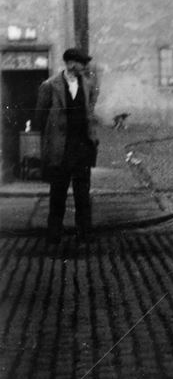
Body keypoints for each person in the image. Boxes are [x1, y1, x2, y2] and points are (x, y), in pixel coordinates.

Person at [35, 48, 99, 250]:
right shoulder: (49, 86)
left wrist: (92, 139)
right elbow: (40, 117)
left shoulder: (87, 85)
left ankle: (85, 235)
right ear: (71, 63)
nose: (84, 66)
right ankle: (54, 236)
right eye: (81, 63)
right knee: (58, 195)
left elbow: (90, 112)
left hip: (81, 149)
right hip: (60, 150)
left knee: (83, 195)